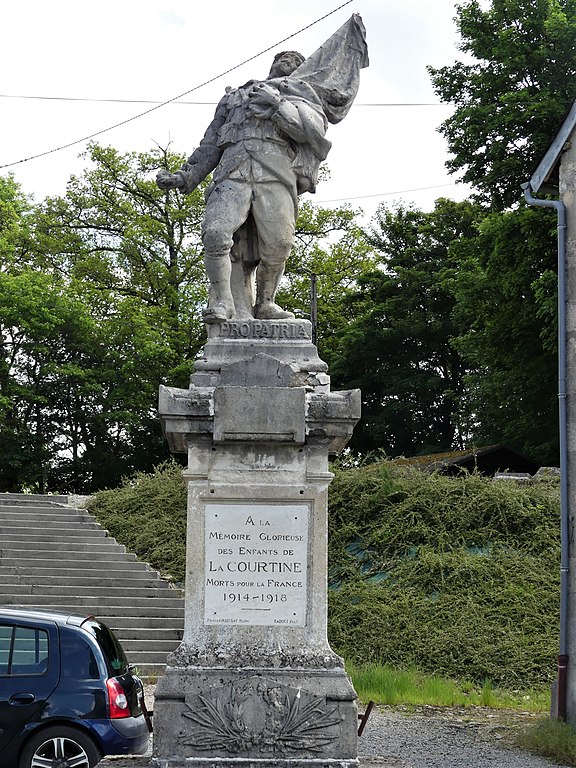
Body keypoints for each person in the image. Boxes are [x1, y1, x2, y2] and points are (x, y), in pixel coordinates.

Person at [157, 15, 368, 324]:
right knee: (215, 233)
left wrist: (278, 104)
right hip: (232, 171)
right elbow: (210, 144)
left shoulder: (303, 94)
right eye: (281, 57)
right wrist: (186, 175)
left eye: (294, 59)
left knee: (280, 243)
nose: (286, 60)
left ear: (302, 69)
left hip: (276, 173)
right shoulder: (233, 97)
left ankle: (265, 302)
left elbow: (311, 133)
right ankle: (221, 302)